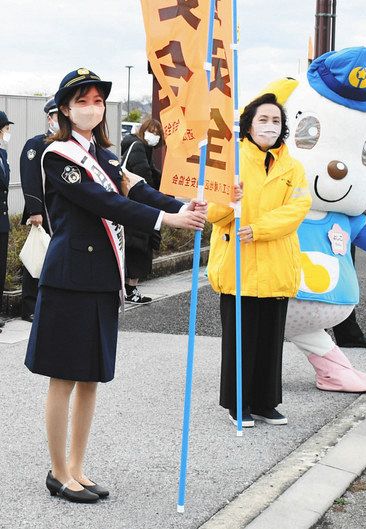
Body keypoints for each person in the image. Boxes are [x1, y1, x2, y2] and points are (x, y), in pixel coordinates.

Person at [23, 68, 207, 504]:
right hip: (70, 279)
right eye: (82, 101)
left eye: (98, 101)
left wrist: (189, 205)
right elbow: (106, 202)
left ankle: (79, 467)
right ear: (65, 109)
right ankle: (57, 471)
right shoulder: (57, 155)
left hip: (102, 278)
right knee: (64, 377)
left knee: (91, 378)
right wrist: (168, 221)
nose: (91, 108)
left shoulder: (105, 156)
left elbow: (139, 191)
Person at [206, 92, 311, 427]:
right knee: (241, 339)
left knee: (269, 337)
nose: (270, 126)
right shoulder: (230, 161)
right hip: (238, 264)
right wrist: (228, 199)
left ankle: (266, 402)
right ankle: (239, 404)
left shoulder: (293, 166)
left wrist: (260, 228)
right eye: (263, 120)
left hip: (276, 261)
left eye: (276, 121)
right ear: (249, 125)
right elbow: (213, 213)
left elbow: (297, 208)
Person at [19, 98, 57, 321]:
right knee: (36, 257)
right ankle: (30, 306)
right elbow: (30, 178)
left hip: (60, 213)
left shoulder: (66, 144)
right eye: (55, 117)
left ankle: (49, 303)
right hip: (42, 213)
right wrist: (35, 210)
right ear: (49, 118)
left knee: (53, 259)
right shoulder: (36, 144)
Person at [121, 118, 165, 303]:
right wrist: (158, 197)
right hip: (139, 205)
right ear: (143, 130)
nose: (154, 136)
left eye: (157, 133)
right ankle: (130, 290)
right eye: (151, 131)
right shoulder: (138, 147)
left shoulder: (139, 146)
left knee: (135, 247)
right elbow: (143, 175)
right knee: (139, 247)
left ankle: (128, 289)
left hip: (133, 206)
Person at [0, 110, 13, 332]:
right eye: (5, 128)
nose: (7, 132)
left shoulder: (3, 155)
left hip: (2, 221)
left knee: (1, 268)